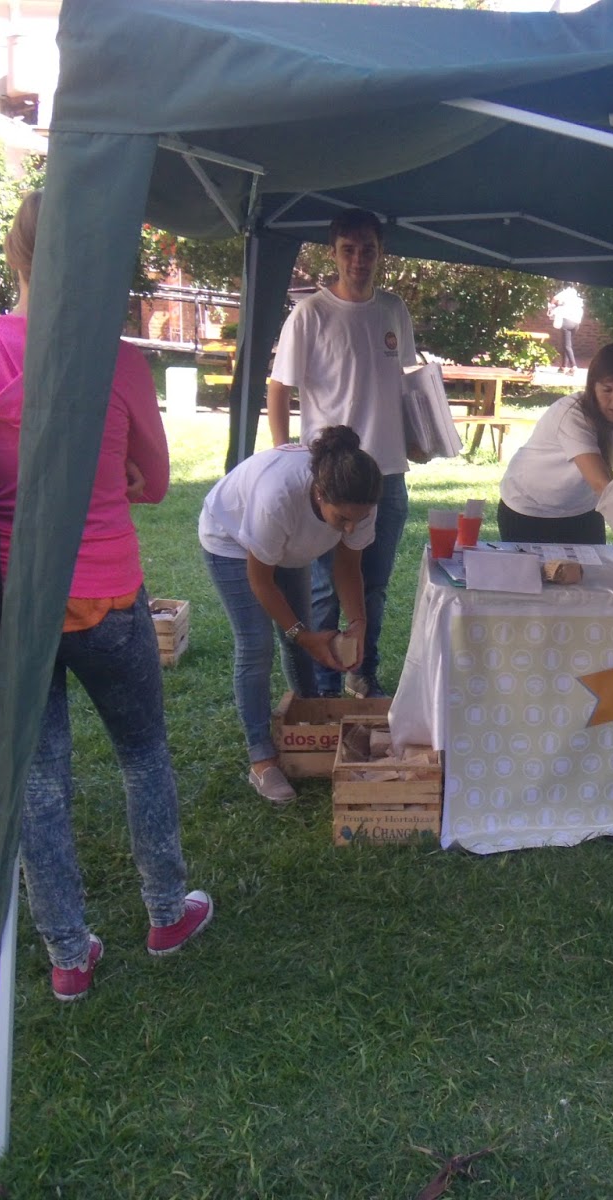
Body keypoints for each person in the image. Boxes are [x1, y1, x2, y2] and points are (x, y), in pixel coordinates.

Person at [0, 191, 211, 1002]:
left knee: (38, 783)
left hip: (16, 607)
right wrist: (117, 476)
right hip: (106, 594)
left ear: (16, 258)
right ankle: (167, 910)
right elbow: (157, 480)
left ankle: (68, 954)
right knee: (143, 755)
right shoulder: (118, 356)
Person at [266, 208, 418, 701]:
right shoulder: (311, 313)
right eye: (348, 250)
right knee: (326, 589)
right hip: (333, 478)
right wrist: (283, 452)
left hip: (388, 475)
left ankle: (362, 672)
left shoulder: (394, 309)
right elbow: (279, 386)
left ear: (380, 252)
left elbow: (409, 385)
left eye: (368, 249)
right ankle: (326, 684)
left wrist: (421, 437)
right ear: (333, 253)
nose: (359, 259)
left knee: (373, 587)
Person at [199, 426, 381, 804]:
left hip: (287, 545)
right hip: (231, 540)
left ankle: (310, 718)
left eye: (356, 520)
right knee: (257, 644)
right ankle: (261, 760)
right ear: (319, 494)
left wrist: (358, 624)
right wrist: (300, 631)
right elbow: (261, 580)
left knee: (301, 640)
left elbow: (348, 566)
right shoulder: (278, 498)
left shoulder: (361, 499)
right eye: (341, 519)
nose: (349, 527)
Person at [497, 342, 613, 545]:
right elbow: (601, 483)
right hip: (528, 509)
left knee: (593, 576)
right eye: (607, 390)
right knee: (535, 576)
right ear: (592, 387)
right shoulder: (573, 413)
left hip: (584, 510)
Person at [548, 285, 584, 374]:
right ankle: (563, 367)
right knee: (566, 344)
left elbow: (554, 299)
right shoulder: (577, 296)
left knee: (567, 346)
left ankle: (574, 367)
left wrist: (552, 305)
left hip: (567, 322)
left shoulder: (566, 292)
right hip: (576, 323)